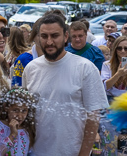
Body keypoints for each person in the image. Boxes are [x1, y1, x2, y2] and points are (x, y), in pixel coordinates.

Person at [22, 14, 108, 155]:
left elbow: (93, 118)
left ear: (66, 36)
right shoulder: (31, 68)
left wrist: (84, 154)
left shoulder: (85, 68)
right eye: (44, 36)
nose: (49, 41)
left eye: (55, 36)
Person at [0, 88, 36, 156]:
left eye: (24, 111)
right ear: (6, 108)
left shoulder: (26, 131)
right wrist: (13, 134)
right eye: (15, 110)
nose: (20, 116)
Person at [11, 17, 44, 87]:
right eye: (41, 35)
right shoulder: (24, 59)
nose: (48, 39)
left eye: (53, 35)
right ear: (33, 36)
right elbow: (16, 90)